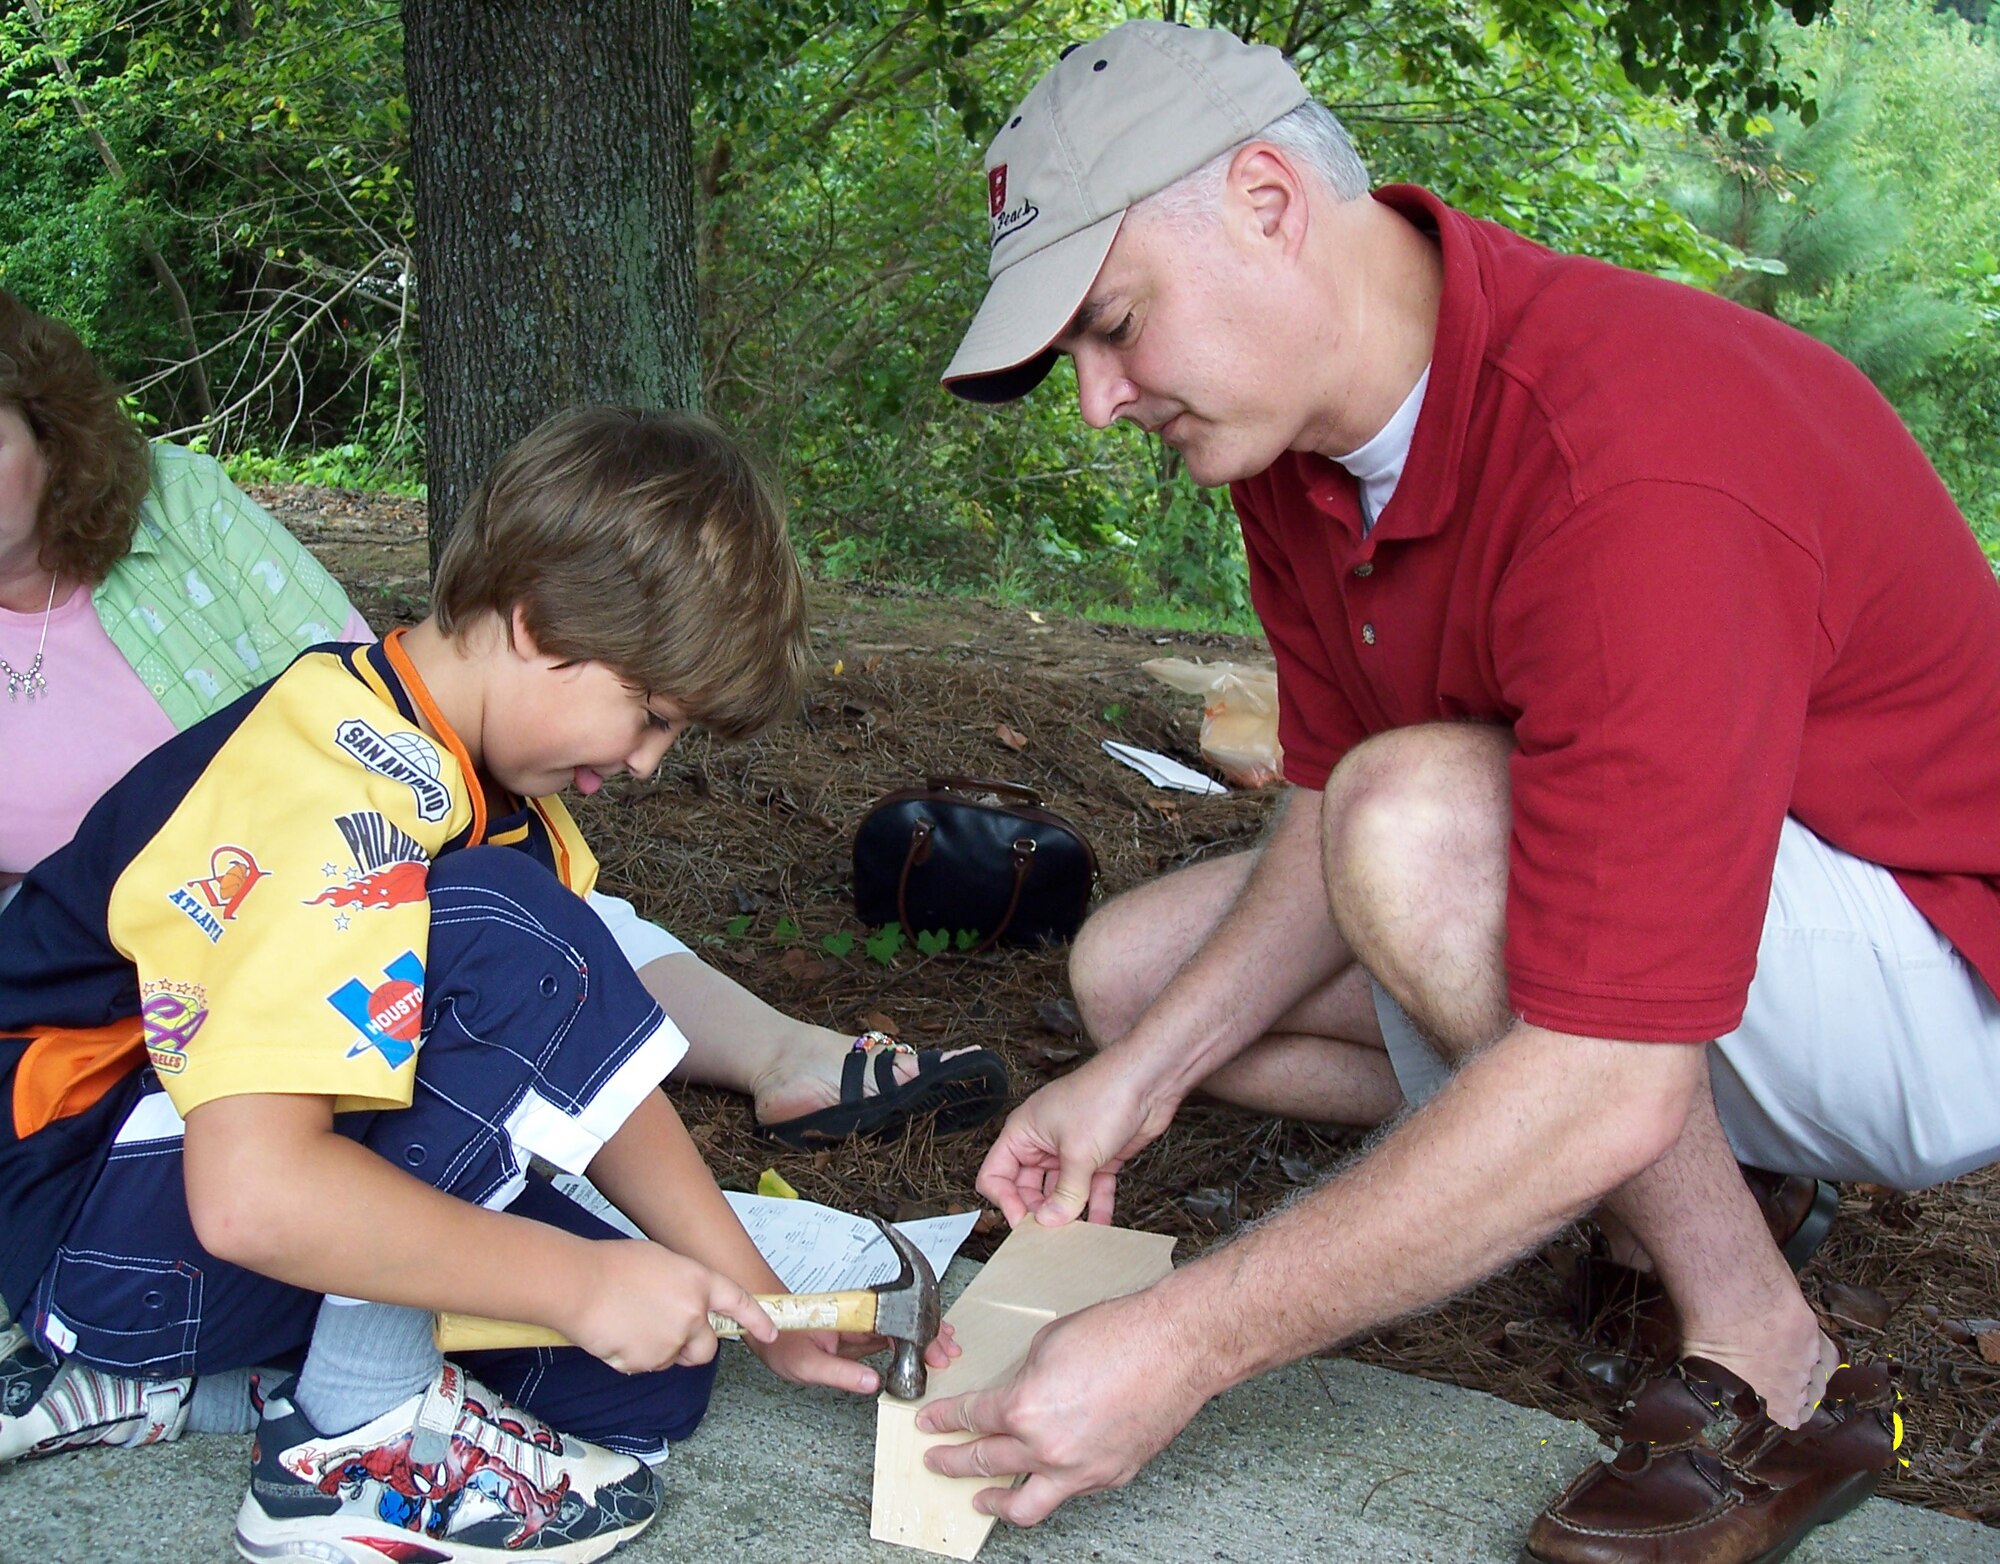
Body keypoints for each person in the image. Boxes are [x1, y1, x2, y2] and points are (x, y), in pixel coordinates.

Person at [916, 22, 2000, 1564]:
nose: (1099, 403)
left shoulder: (1630, 448)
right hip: (1718, 933)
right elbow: (1319, 814)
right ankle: (1710, 1181)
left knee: (1417, 826)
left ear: (1271, 203)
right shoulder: (1297, 452)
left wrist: (1181, 1344)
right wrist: (1140, 1081)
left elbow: (1591, 1038)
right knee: (1135, 973)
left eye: (1115, 325)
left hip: (1936, 974)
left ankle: (1775, 1355)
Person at [0, 406, 962, 1561]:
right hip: (87, 1213)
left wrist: (756, 1303)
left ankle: (149, 1386)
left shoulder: (507, 812)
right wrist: (575, 1278)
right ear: (536, 620)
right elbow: (250, 1197)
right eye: (650, 715)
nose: (649, 762)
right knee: (529, 950)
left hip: (178, 1215)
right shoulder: (341, 777)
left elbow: (606, 1094)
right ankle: (345, 1447)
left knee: (648, 1385)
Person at [0, 288, 1006, 1145]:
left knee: (523, 889)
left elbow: (344, 670)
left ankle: (779, 1056)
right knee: (462, 920)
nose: (651, 762)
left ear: (46, 424)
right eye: (650, 718)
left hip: (337, 822)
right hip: (128, 960)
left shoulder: (177, 509)